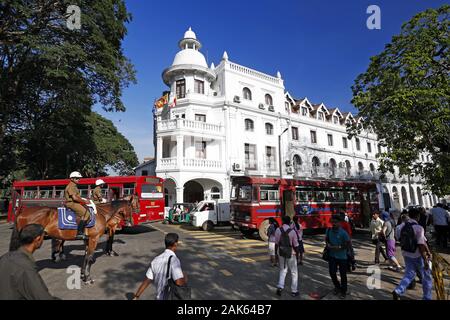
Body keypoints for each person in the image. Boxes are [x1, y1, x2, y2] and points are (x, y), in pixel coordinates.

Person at [0, 224, 58, 300]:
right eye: (43, 237)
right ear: (38, 239)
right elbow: (41, 296)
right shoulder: (26, 267)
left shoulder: (4, 257)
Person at [393, 208, 433, 300]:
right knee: (426, 277)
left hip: (406, 253)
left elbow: (399, 238)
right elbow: (421, 244)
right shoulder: (419, 228)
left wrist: (428, 251)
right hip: (417, 255)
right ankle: (427, 297)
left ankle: (398, 290)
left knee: (409, 274)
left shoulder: (401, 226)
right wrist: (426, 259)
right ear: (418, 216)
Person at [133, 233, 187, 300]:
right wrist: (185, 277)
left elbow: (147, 281)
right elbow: (179, 282)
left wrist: (136, 296)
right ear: (175, 244)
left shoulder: (155, 260)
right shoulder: (174, 260)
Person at [326, 215, 351, 299]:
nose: (333, 224)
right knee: (332, 273)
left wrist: (339, 247)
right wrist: (328, 245)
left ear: (339, 223)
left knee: (343, 275)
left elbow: (348, 244)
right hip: (332, 256)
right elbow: (326, 239)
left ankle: (343, 291)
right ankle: (337, 287)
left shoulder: (343, 233)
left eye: (335, 222)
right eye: (332, 222)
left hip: (342, 257)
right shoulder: (329, 230)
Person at [275, 215, 299, 297]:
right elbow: (296, 245)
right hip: (291, 253)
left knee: (282, 270)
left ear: (282, 221)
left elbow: (276, 243)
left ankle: (280, 286)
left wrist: (276, 254)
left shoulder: (278, 230)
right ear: (289, 222)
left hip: (281, 252)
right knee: (294, 272)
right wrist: (298, 255)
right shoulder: (292, 232)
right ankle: (294, 291)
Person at [65, 171, 91, 240]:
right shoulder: (71, 186)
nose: (78, 179)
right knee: (87, 214)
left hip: (75, 202)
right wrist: (85, 201)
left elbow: (77, 197)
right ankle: (79, 233)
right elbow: (75, 198)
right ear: (72, 179)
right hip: (72, 203)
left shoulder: (74, 186)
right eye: (76, 178)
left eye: (79, 178)